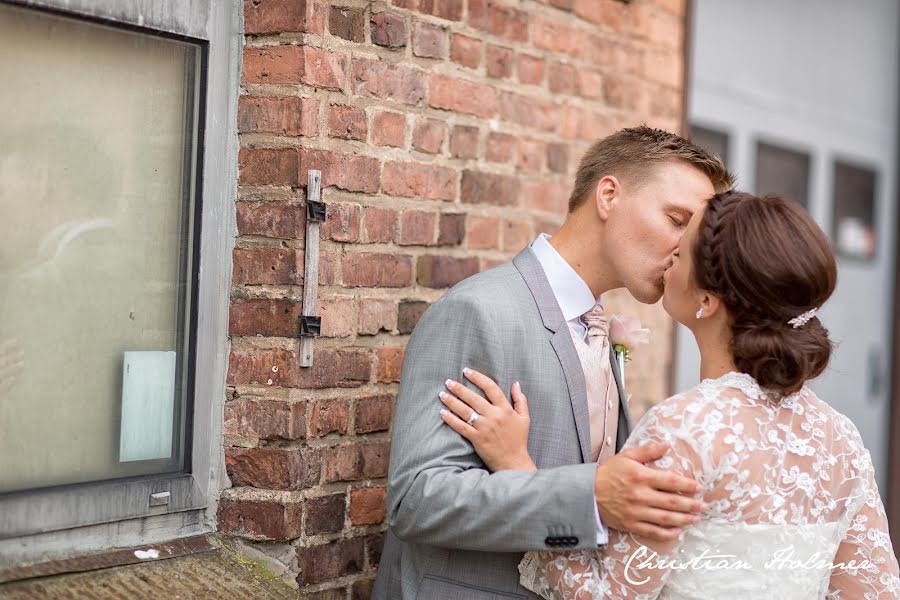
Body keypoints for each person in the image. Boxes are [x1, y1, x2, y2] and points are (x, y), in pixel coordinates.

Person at [439, 191, 900, 599]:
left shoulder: (687, 428)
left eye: (680, 252)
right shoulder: (842, 439)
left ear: (707, 301)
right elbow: (873, 588)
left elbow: (604, 595)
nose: (668, 259)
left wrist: (518, 468)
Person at [373, 127, 734, 599]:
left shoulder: (600, 326)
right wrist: (592, 497)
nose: (683, 249)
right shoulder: (481, 311)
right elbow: (416, 500)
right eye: (675, 219)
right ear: (608, 196)